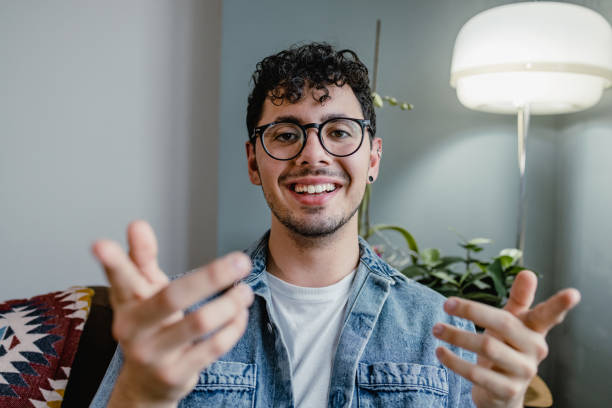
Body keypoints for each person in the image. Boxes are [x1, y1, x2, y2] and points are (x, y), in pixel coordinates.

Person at [90, 43, 580, 408]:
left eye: (339, 132)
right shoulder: (176, 321)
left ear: (373, 157)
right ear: (253, 162)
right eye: (285, 134)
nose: (314, 154)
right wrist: (138, 394)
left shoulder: (442, 327)